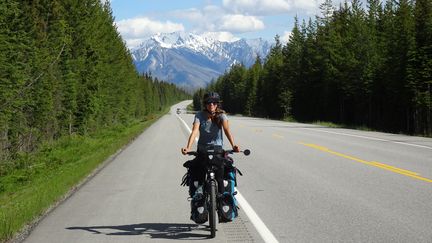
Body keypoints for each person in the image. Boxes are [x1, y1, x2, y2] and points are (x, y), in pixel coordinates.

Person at [181, 91, 240, 223]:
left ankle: (222, 205)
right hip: (202, 151)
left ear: (217, 104)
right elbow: (195, 131)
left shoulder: (222, 116)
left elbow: (227, 131)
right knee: (199, 179)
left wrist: (234, 145)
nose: (211, 105)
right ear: (205, 104)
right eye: (209, 103)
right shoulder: (199, 116)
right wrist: (188, 147)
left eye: (214, 103)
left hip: (218, 151)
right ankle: (201, 205)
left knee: (220, 179)